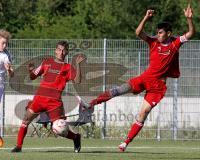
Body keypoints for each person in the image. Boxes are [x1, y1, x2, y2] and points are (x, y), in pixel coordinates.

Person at [80, 4, 195, 152]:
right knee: (119, 90)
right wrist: (146, 18)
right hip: (145, 78)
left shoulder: (174, 43)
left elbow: (191, 33)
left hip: (158, 86)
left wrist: (189, 19)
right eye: (157, 33)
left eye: (160, 33)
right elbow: (138, 32)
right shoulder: (153, 42)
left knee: (143, 113)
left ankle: (125, 143)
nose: (158, 35)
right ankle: (91, 104)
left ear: (168, 33)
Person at [11, 41, 86, 153]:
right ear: (55, 51)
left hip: (54, 102)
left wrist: (78, 65)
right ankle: (18, 146)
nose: (61, 52)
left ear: (67, 52)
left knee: (58, 130)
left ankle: (76, 137)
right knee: (26, 120)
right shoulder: (47, 63)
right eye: (59, 49)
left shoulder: (68, 67)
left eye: (63, 50)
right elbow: (32, 77)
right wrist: (31, 70)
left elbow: (78, 81)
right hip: (39, 99)